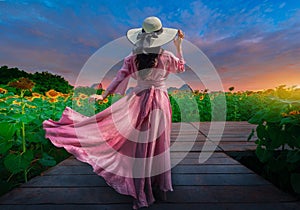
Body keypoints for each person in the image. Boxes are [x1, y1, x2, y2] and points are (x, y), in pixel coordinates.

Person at [43, 16, 185, 209]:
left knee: (139, 143)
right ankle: (156, 184)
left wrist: (104, 96)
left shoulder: (133, 58)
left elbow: (119, 78)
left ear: (141, 36)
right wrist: (179, 45)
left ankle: (141, 185)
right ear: (161, 37)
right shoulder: (167, 56)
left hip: (139, 100)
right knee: (159, 142)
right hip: (160, 100)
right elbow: (181, 68)